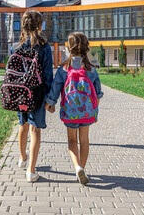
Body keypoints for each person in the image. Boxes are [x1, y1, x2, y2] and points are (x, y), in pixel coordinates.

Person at [44, 32, 104, 185]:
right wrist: (95, 112)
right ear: (86, 48)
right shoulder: (91, 69)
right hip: (87, 113)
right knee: (84, 140)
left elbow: (55, 88)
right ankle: (82, 168)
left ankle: (77, 167)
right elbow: (97, 94)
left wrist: (50, 103)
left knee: (72, 141)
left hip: (70, 112)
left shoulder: (64, 69)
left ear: (68, 48)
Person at [15, 9, 53, 182]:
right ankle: (31, 171)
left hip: (20, 93)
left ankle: (23, 159)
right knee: (35, 129)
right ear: (39, 25)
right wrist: (50, 99)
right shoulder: (44, 47)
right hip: (37, 94)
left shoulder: (16, 46)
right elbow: (47, 75)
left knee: (22, 125)